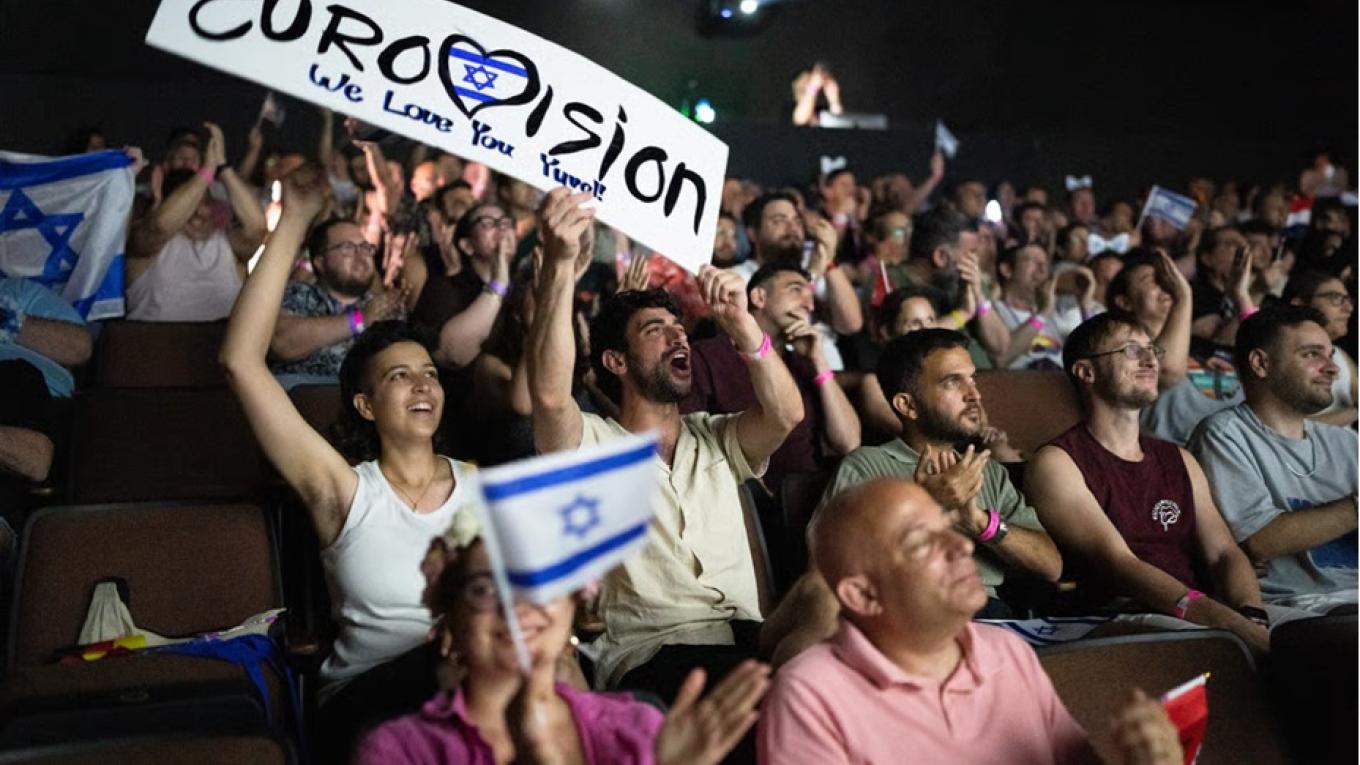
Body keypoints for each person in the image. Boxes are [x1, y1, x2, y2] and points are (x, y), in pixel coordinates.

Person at [219, 164, 478, 762]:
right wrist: (295, 220)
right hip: (371, 701)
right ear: (365, 404)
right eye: (400, 376)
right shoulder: (344, 488)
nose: (423, 385)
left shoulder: (480, 486)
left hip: (473, 692)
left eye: (430, 374)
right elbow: (240, 362)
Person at [528, 188, 804, 697]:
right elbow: (548, 394)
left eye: (680, 329)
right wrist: (561, 268)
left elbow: (786, 414)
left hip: (745, 639)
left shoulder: (715, 434)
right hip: (655, 655)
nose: (679, 338)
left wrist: (743, 324)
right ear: (616, 361)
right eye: (656, 330)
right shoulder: (592, 444)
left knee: (825, 598)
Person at [757, 478, 1184, 765]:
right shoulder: (809, 694)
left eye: (949, 528)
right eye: (922, 543)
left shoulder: (1007, 652)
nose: (961, 546)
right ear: (864, 595)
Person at [356, 516, 770, 765]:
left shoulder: (637, 727)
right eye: (485, 589)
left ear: (573, 604)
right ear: (450, 620)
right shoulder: (398, 751)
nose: (518, 607)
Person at [762, 330, 1060, 664]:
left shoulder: (989, 471)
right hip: (902, 617)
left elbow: (1051, 566)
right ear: (907, 405)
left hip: (987, 618)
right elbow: (823, 573)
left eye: (972, 379)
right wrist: (929, 503)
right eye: (953, 382)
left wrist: (979, 523)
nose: (974, 394)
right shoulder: (867, 465)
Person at [1025, 313, 1272, 654]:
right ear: (1086, 372)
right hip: (1119, 616)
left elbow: (1224, 553)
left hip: (1203, 611)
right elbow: (1119, 563)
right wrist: (1230, 625)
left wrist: (1252, 616)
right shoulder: (1058, 462)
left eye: (1152, 349)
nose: (1150, 360)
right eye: (1131, 350)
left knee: (1313, 637)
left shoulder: (1178, 458)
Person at [1188, 306, 1357, 613]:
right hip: (1299, 607)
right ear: (1261, 363)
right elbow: (1259, 540)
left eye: (1331, 355)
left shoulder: (1346, 442)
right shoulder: (1224, 436)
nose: (1332, 368)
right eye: (1312, 354)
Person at [681, 261, 860, 493]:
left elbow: (848, 442)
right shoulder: (708, 355)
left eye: (811, 298)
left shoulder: (803, 363)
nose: (809, 305)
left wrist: (819, 362)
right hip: (743, 493)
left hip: (810, 495)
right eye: (796, 290)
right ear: (758, 297)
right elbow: (692, 442)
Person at [126, 122, 265, 321]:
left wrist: (222, 167)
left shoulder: (228, 244)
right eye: (190, 206)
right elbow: (160, 226)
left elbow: (257, 229)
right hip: (153, 340)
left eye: (205, 202)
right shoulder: (143, 243)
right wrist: (207, 170)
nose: (200, 213)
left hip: (218, 341)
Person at [1104, 249, 1242, 445]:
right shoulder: (1124, 351)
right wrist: (1183, 297)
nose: (1165, 285)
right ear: (1125, 302)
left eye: (1165, 279)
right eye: (1149, 280)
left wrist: (1241, 296)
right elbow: (1167, 369)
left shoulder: (1199, 346)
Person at [269, 218, 407, 388]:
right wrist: (359, 320)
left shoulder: (384, 306)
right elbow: (282, 343)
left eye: (365, 247)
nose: (361, 255)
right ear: (320, 262)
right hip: (297, 395)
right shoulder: (298, 293)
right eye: (347, 248)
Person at [993, 243, 1095, 370]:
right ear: (1007, 270)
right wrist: (1043, 313)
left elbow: (1095, 350)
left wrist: (1085, 306)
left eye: (1045, 264)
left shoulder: (1053, 313)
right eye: (1034, 262)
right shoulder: (994, 312)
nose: (1042, 270)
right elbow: (1002, 358)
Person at [1284, 270, 1357, 427]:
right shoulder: (1283, 354)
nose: (1348, 308)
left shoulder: (1342, 356)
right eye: (1335, 298)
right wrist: (1353, 413)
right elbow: (1285, 426)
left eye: (1348, 300)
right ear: (1300, 304)